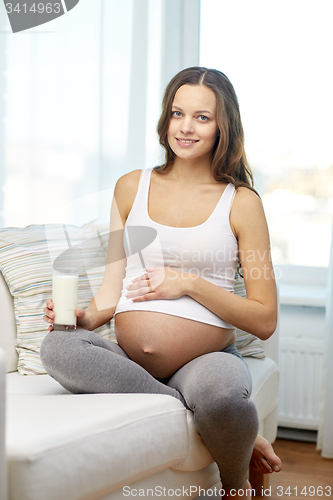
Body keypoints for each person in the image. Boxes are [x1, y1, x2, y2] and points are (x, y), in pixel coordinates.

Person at [41, 67, 282, 498]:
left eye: (202, 117)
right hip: (131, 362)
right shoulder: (131, 187)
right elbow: (110, 295)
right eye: (177, 113)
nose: (185, 127)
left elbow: (264, 319)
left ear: (224, 126)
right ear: (165, 119)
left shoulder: (242, 203)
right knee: (58, 346)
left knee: (224, 398)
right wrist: (84, 316)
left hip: (205, 360)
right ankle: (220, 427)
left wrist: (189, 283)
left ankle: (237, 485)